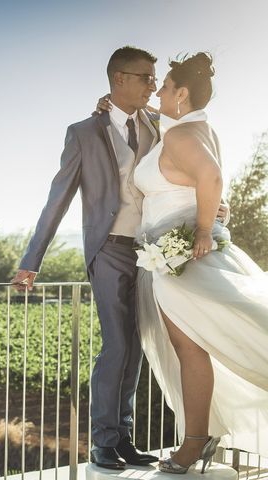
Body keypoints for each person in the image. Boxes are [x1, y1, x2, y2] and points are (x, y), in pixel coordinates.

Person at [12, 46, 228, 470]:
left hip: (156, 250)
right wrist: (30, 261)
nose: (153, 85)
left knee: (137, 345)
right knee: (117, 342)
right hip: (109, 247)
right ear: (119, 81)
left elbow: (198, 164)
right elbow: (56, 200)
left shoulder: (159, 123)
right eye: (146, 78)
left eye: (155, 79)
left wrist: (213, 208)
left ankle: (124, 439)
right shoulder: (83, 133)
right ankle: (103, 443)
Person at [131, 52, 268, 473]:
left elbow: (210, 177)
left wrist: (205, 230)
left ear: (183, 93)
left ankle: (194, 443)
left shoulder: (179, 137)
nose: (157, 91)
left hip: (184, 259)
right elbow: (199, 177)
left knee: (190, 349)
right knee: (196, 346)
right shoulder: (194, 126)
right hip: (176, 254)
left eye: (165, 86)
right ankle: (198, 436)